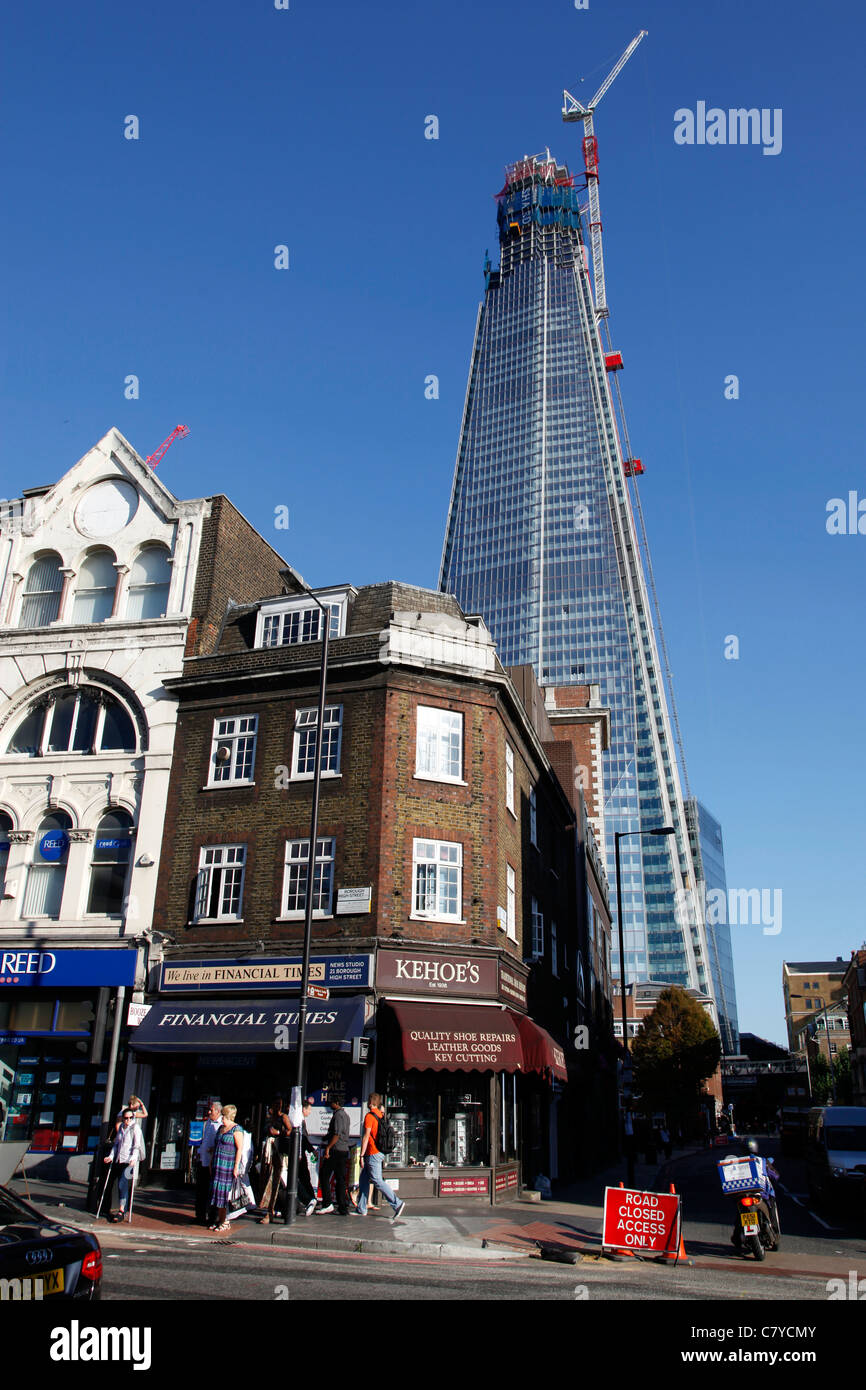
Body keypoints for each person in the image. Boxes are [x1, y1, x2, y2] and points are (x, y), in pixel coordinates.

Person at [353, 1093, 405, 1220]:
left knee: (377, 1180)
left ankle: (397, 1203)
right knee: (364, 1179)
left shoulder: (369, 1117)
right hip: (379, 1152)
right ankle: (361, 1208)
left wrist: (361, 1155)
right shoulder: (381, 1115)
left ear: (371, 1103)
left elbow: (366, 1137)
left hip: (372, 1153)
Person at [103, 1107, 146, 1223]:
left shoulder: (135, 1128)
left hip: (129, 1162)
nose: (127, 1120)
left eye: (130, 1118)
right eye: (125, 1118)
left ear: (133, 1118)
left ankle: (121, 1210)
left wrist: (133, 1159)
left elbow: (137, 1145)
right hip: (119, 1160)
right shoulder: (121, 1127)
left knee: (123, 1184)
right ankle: (113, 1208)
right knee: (114, 1183)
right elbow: (116, 1144)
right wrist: (111, 1156)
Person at [209, 1103, 244, 1233]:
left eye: (223, 1115)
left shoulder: (237, 1129)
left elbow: (239, 1148)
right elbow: (216, 1146)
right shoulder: (221, 1129)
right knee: (217, 1193)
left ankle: (225, 1221)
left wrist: (236, 1166)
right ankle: (220, 1219)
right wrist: (212, 1161)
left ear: (228, 1115)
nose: (221, 1118)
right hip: (218, 1164)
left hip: (227, 1165)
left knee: (224, 1194)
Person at [259, 1098, 292, 1224]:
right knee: (266, 1179)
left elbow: (290, 1130)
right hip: (268, 1151)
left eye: (279, 1104)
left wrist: (278, 1132)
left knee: (275, 1181)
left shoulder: (283, 1117)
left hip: (277, 1151)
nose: (277, 1106)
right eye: (275, 1104)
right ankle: (268, 1209)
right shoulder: (270, 1117)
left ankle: (271, 1211)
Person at [316, 1097, 351, 1216]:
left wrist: (328, 1147)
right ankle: (342, 1207)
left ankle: (327, 1203)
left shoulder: (338, 1115)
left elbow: (336, 1134)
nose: (329, 1104)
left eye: (331, 1102)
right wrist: (326, 1138)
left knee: (324, 1174)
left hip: (336, 1150)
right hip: (344, 1149)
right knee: (340, 1178)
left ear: (336, 1103)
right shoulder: (345, 1115)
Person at [195, 1100, 222, 1226]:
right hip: (203, 1160)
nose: (209, 1112)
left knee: (212, 1191)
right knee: (201, 1190)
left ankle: (213, 1217)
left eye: (211, 1110)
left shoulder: (221, 1125)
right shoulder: (207, 1123)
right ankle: (200, 1215)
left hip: (213, 1163)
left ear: (218, 1111)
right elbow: (203, 1140)